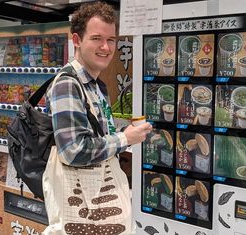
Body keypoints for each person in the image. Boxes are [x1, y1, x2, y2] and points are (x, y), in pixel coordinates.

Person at [43, 2, 152, 234]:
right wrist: (125, 138)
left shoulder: (96, 86)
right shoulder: (67, 84)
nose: (105, 47)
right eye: (96, 38)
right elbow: (73, 150)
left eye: (111, 39)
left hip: (97, 202)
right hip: (81, 204)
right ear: (77, 40)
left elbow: (97, 137)